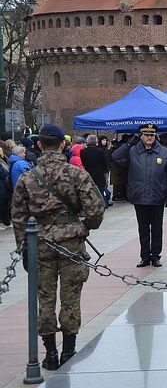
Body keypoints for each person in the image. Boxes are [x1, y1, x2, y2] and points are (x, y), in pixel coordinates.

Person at [11, 123, 105, 370]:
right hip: (71, 243)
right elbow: (96, 210)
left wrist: (24, 247)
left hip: (39, 244)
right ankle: (69, 351)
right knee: (71, 298)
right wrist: (84, 226)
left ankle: (50, 353)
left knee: (46, 298)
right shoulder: (76, 174)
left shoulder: (26, 178)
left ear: (40, 145)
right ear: (62, 145)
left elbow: (18, 217)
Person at [112, 124, 167, 268]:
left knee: (157, 228)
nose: (149, 138)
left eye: (152, 135)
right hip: (139, 196)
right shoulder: (133, 151)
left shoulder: (164, 152)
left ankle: (156, 256)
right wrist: (128, 144)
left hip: (157, 196)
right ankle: (145, 256)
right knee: (143, 228)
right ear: (141, 136)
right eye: (146, 135)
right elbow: (115, 157)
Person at [80, 135, 112, 207]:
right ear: (96, 141)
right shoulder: (100, 151)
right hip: (99, 173)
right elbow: (105, 163)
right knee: (100, 190)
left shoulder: (83, 152)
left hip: (88, 173)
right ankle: (102, 204)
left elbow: (83, 163)